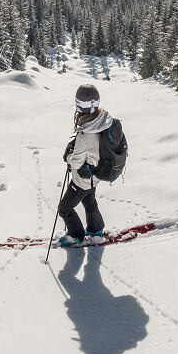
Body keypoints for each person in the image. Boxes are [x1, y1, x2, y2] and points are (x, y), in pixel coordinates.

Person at [58, 83, 118, 247]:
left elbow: (76, 161)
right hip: (95, 174)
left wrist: (68, 156)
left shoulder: (85, 133)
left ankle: (75, 236)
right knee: (89, 202)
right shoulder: (103, 119)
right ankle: (96, 231)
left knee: (64, 209)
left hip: (82, 179)